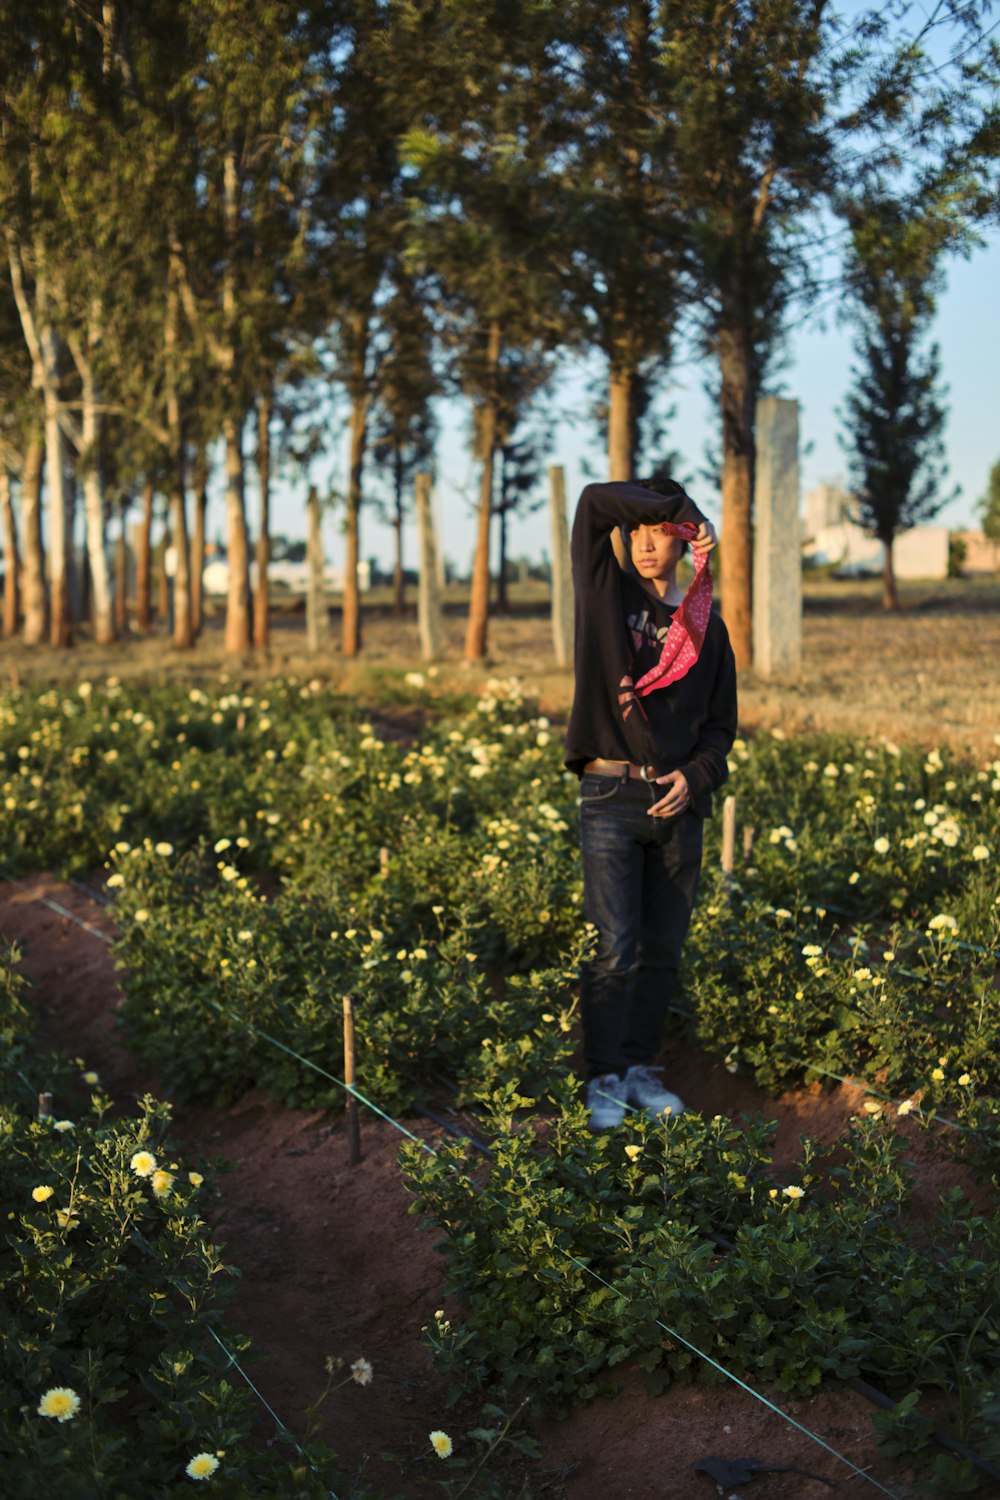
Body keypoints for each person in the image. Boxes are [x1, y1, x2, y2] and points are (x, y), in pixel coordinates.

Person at [564, 477, 737, 1129]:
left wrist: (697, 776)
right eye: (635, 530)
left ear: (683, 544)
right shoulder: (604, 594)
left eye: (659, 532)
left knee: (662, 949)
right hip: (610, 792)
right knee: (614, 946)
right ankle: (602, 1077)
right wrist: (677, 507)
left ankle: (639, 1070)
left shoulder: (704, 627)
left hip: (677, 802)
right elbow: (592, 503)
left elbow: (721, 726)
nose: (642, 542)